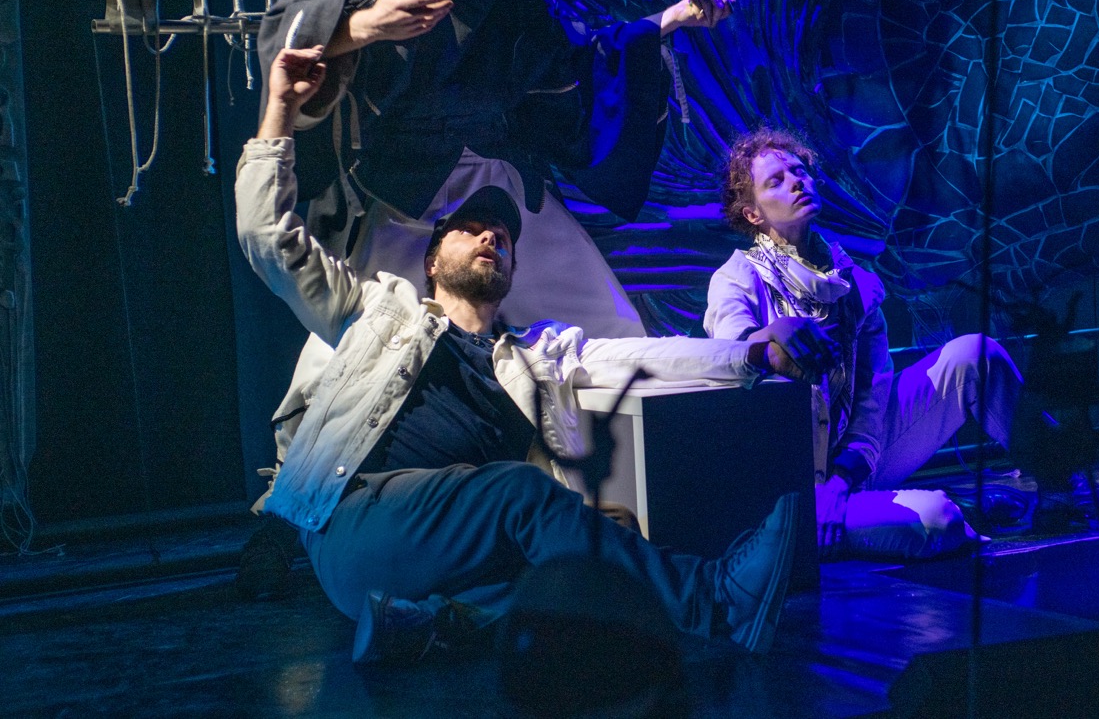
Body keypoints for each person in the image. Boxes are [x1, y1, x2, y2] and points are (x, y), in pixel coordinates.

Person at [235, 47, 831, 660]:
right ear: (433, 260)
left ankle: (433, 624)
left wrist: (752, 354)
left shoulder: (535, 353)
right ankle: (717, 601)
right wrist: (280, 109)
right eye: (471, 229)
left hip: (457, 549)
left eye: (503, 236)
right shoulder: (376, 311)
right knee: (526, 496)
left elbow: (647, 356)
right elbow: (268, 239)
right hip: (356, 520)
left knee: (591, 553)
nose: (491, 235)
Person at [257, 0, 732, 337]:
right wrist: (364, 26)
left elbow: (577, 57)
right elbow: (288, 32)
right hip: (401, 188)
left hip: (501, 172)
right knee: (367, 337)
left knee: (610, 328)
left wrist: (670, 19)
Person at [703, 129, 1099, 558]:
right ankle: (941, 510)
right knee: (937, 523)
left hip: (853, 462)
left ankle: (1063, 490)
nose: (796, 182)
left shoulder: (853, 281)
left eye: (800, 171)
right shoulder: (738, 278)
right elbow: (731, 365)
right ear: (753, 214)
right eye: (776, 181)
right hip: (792, 476)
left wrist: (843, 477)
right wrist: (772, 334)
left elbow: (872, 400)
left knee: (975, 355)